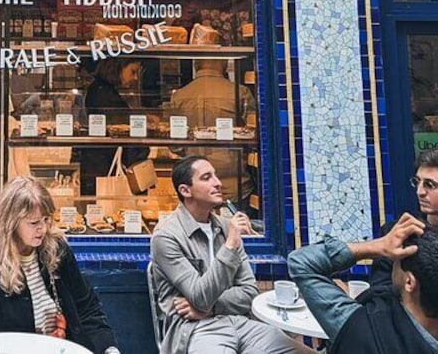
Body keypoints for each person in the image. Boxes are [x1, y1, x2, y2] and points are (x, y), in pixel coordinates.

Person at [151, 156, 310, 354]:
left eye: (215, 176)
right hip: (196, 328)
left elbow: (249, 292)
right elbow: (200, 297)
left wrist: (212, 307)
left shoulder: (227, 227)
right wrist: (231, 243)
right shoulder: (166, 236)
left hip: (240, 322)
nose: (218, 182)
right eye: (207, 177)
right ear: (185, 190)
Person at [0, 176, 120, 354]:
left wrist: (108, 347)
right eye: (34, 223)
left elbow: (87, 307)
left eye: (45, 220)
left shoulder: (56, 249)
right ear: (11, 223)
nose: (43, 229)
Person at [288, 213, 438, 353]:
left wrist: (377, 246)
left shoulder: (361, 327)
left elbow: (301, 262)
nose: (392, 261)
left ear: (409, 283)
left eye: (397, 260)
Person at [169, 59, 256, 203]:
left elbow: (175, 145)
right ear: (223, 63)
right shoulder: (240, 93)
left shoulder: (178, 96)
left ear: (196, 64)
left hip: (195, 188)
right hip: (236, 187)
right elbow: (254, 136)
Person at [78, 58, 149, 196]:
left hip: (98, 163)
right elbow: (119, 124)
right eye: (132, 72)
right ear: (117, 68)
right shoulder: (104, 93)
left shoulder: (101, 89)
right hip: (102, 164)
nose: (134, 78)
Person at [370, 148, 438, 289]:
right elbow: (380, 291)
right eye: (417, 182)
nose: (420, 192)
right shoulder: (398, 233)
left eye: (430, 185)